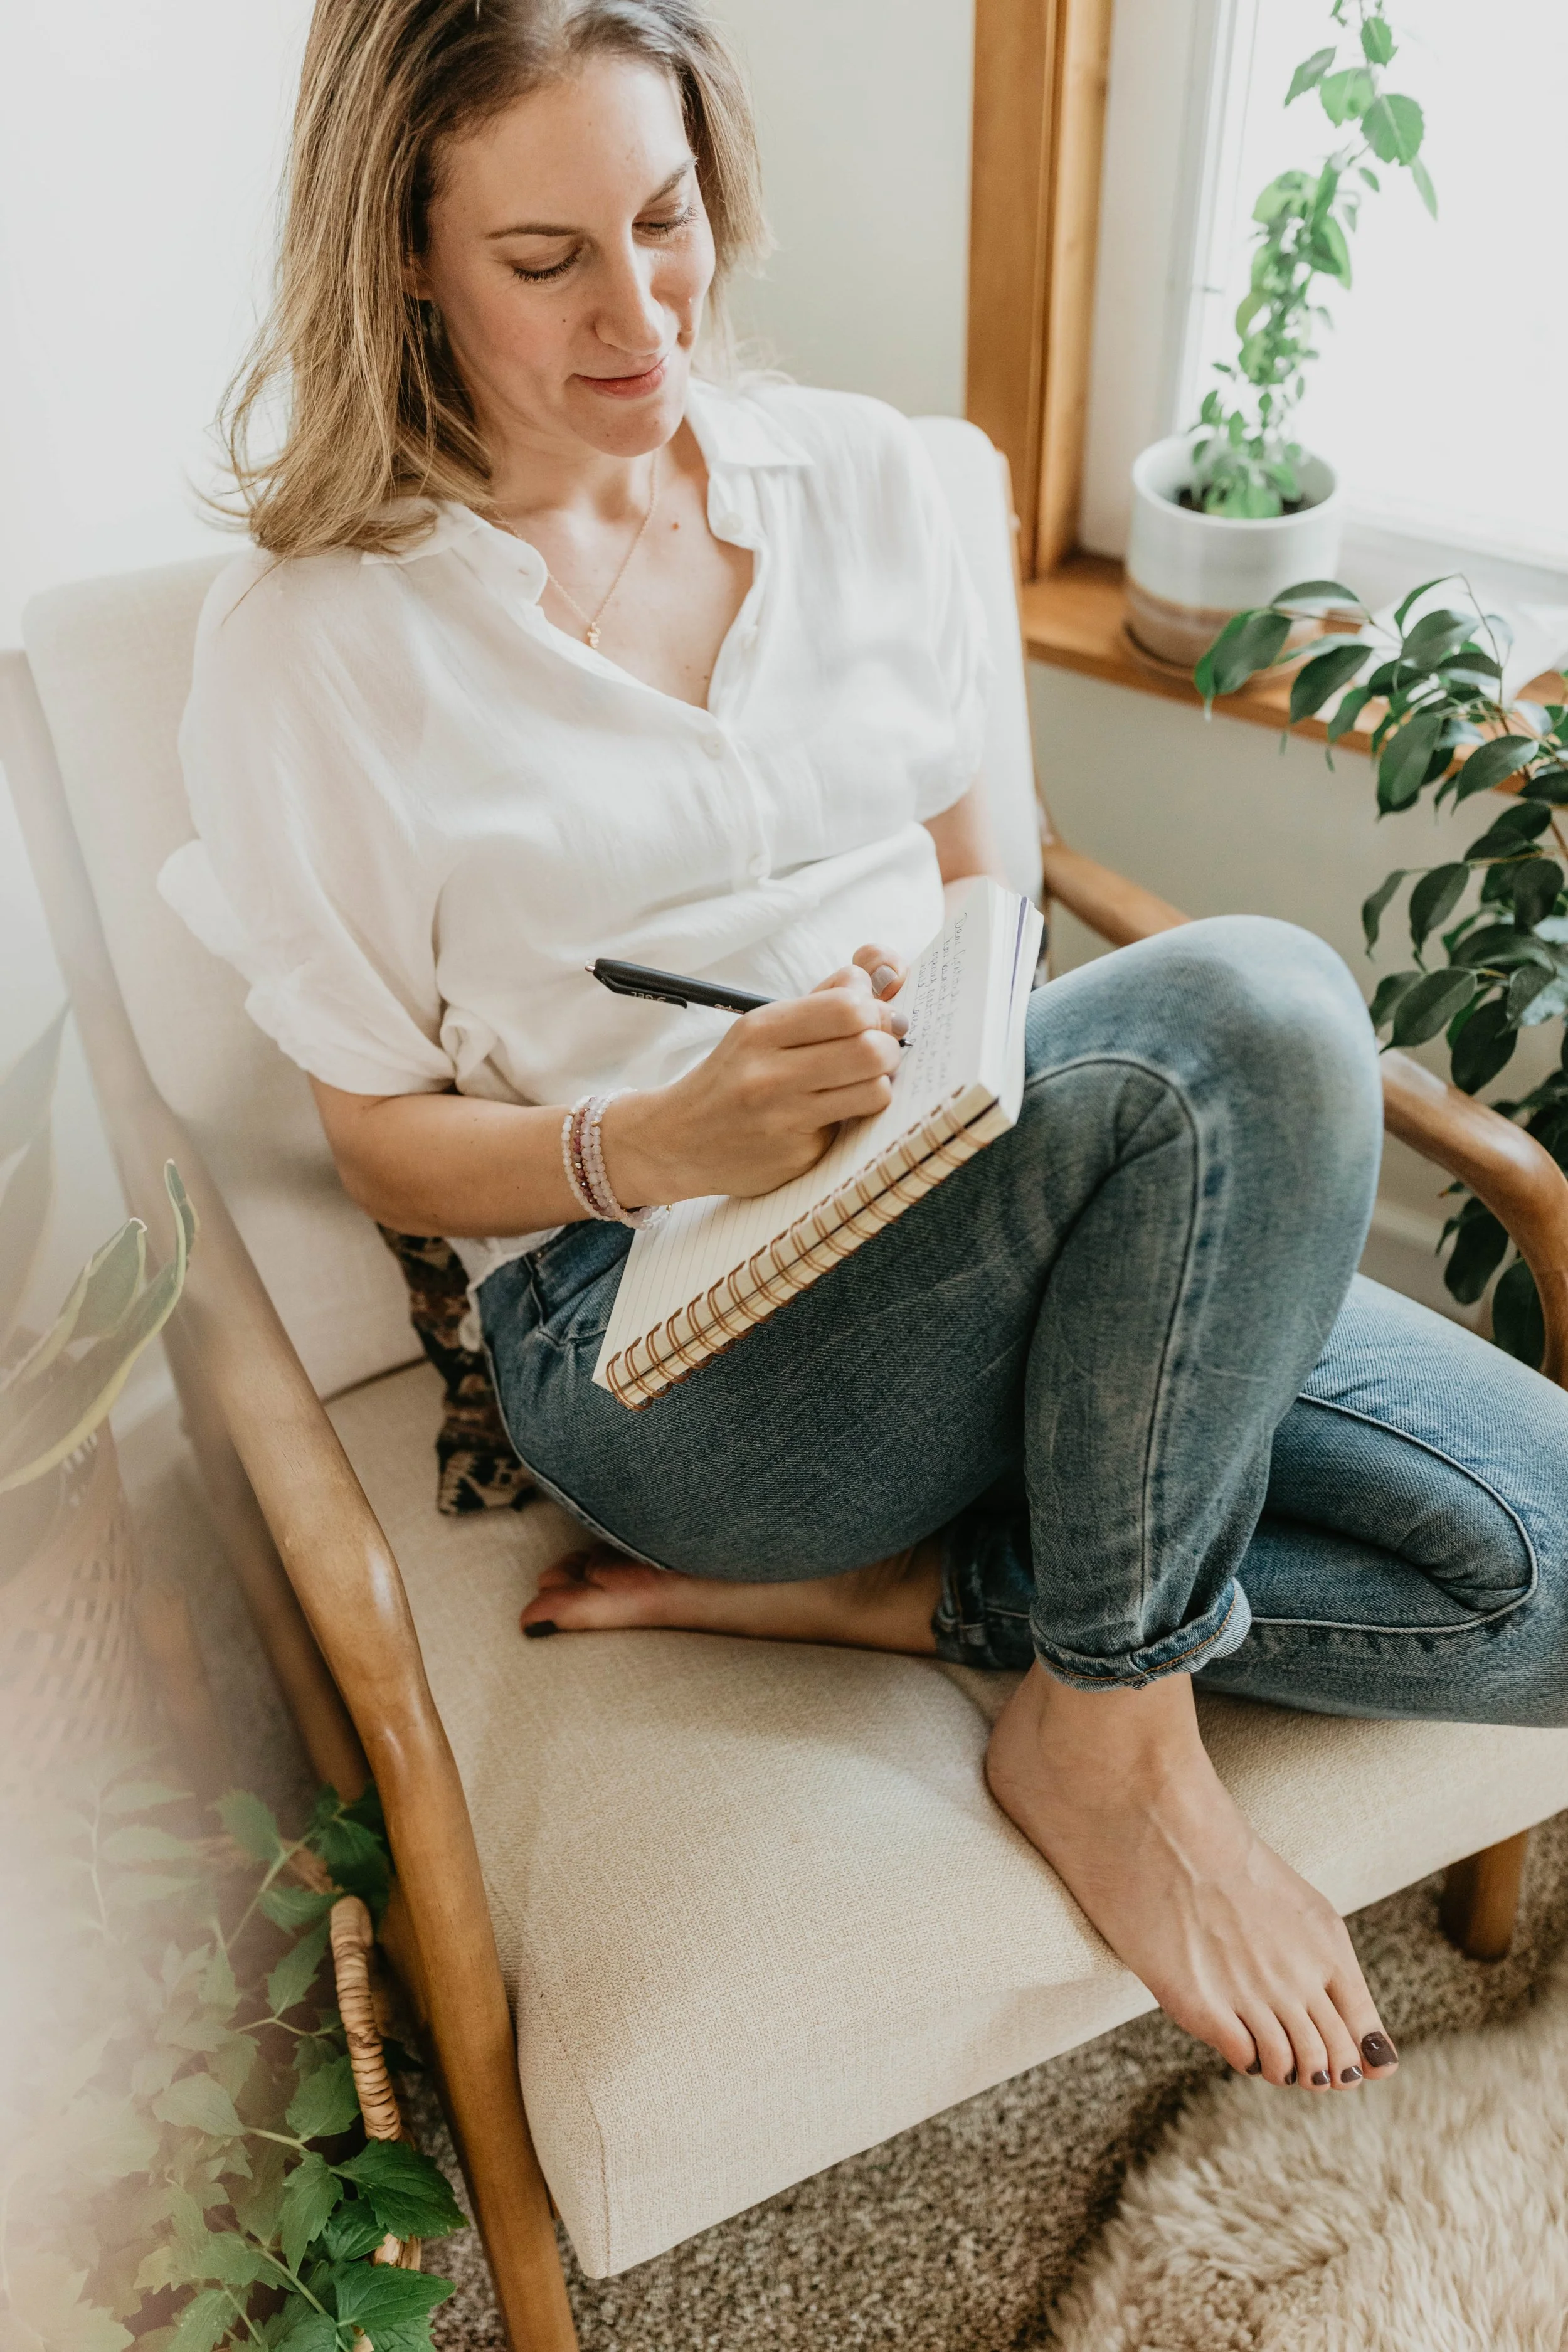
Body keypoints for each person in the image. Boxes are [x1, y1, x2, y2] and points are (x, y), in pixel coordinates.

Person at [164, 0, 1568, 2105]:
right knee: (1257, 1001)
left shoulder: (876, 485)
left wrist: (938, 1036)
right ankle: (1113, 1733)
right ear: (406, 259)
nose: (639, 311)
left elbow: (993, 910)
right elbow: (374, 1136)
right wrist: (653, 1137)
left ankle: (947, 1596)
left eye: (665, 220)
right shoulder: (310, 654)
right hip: (664, 1349)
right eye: (547, 260)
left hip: (998, 1213)